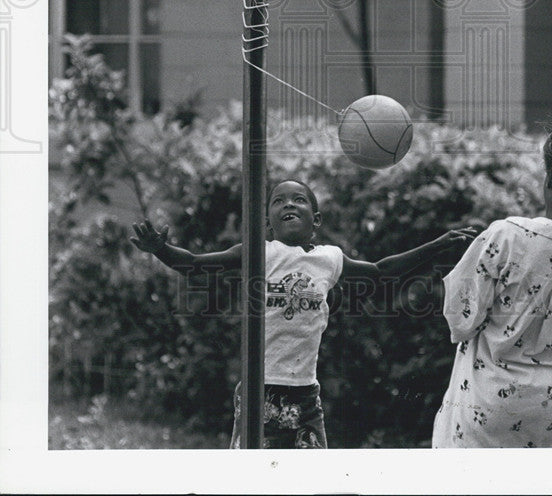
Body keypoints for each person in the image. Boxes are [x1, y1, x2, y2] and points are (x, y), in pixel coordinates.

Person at [131, 178, 475, 449]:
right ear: (268, 220)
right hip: (257, 392)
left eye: (298, 199)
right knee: (248, 481)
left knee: (313, 480)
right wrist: (160, 249)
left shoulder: (330, 259)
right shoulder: (258, 252)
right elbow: (193, 266)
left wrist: (439, 244)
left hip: (305, 395)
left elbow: (382, 272)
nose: (288, 204)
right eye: (279, 201)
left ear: (316, 219)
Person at [431, 114, 552, 448]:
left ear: (549, 181)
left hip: (484, 410)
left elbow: (460, 319)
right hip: (551, 416)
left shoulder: (507, 235)